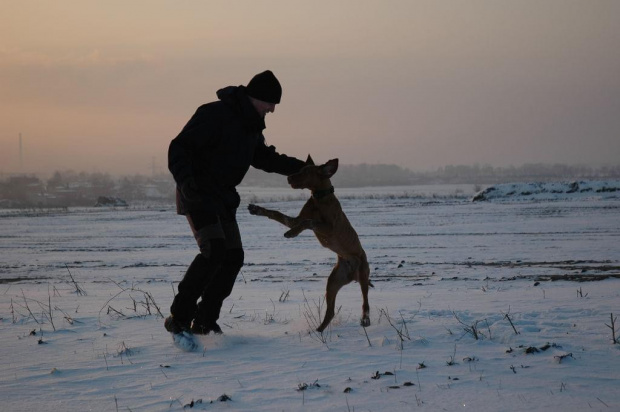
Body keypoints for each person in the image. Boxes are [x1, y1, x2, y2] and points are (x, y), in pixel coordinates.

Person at [165, 70, 306, 335]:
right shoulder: (213, 114)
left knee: (233, 257)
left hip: (223, 198)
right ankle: (179, 317)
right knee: (214, 251)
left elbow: (265, 158)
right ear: (256, 97)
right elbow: (178, 148)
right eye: (270, 103)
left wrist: (304, 169)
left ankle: (205, 319)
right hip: (196, 193)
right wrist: (187, 182)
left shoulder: (251, 125)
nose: (272, 110)